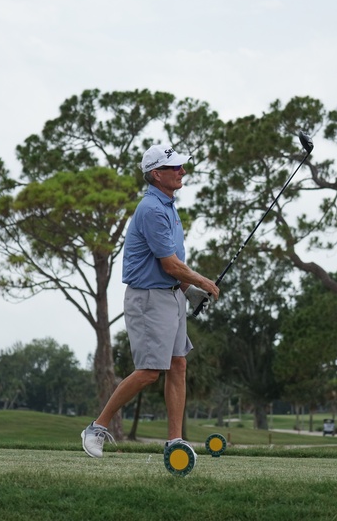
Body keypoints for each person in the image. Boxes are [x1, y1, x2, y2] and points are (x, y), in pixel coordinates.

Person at [81, 144, 220, 463]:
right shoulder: (152, 210)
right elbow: (169, 264)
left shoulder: (168, 207)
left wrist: (187, 290)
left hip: (171, 296)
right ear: (157, 175)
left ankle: (174, 441)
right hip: (148, 298)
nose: (182, 171)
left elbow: (172, 263)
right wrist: (203, 282)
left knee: (178, 365)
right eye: (175, 168)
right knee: (148, 372)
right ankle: (96, 428)